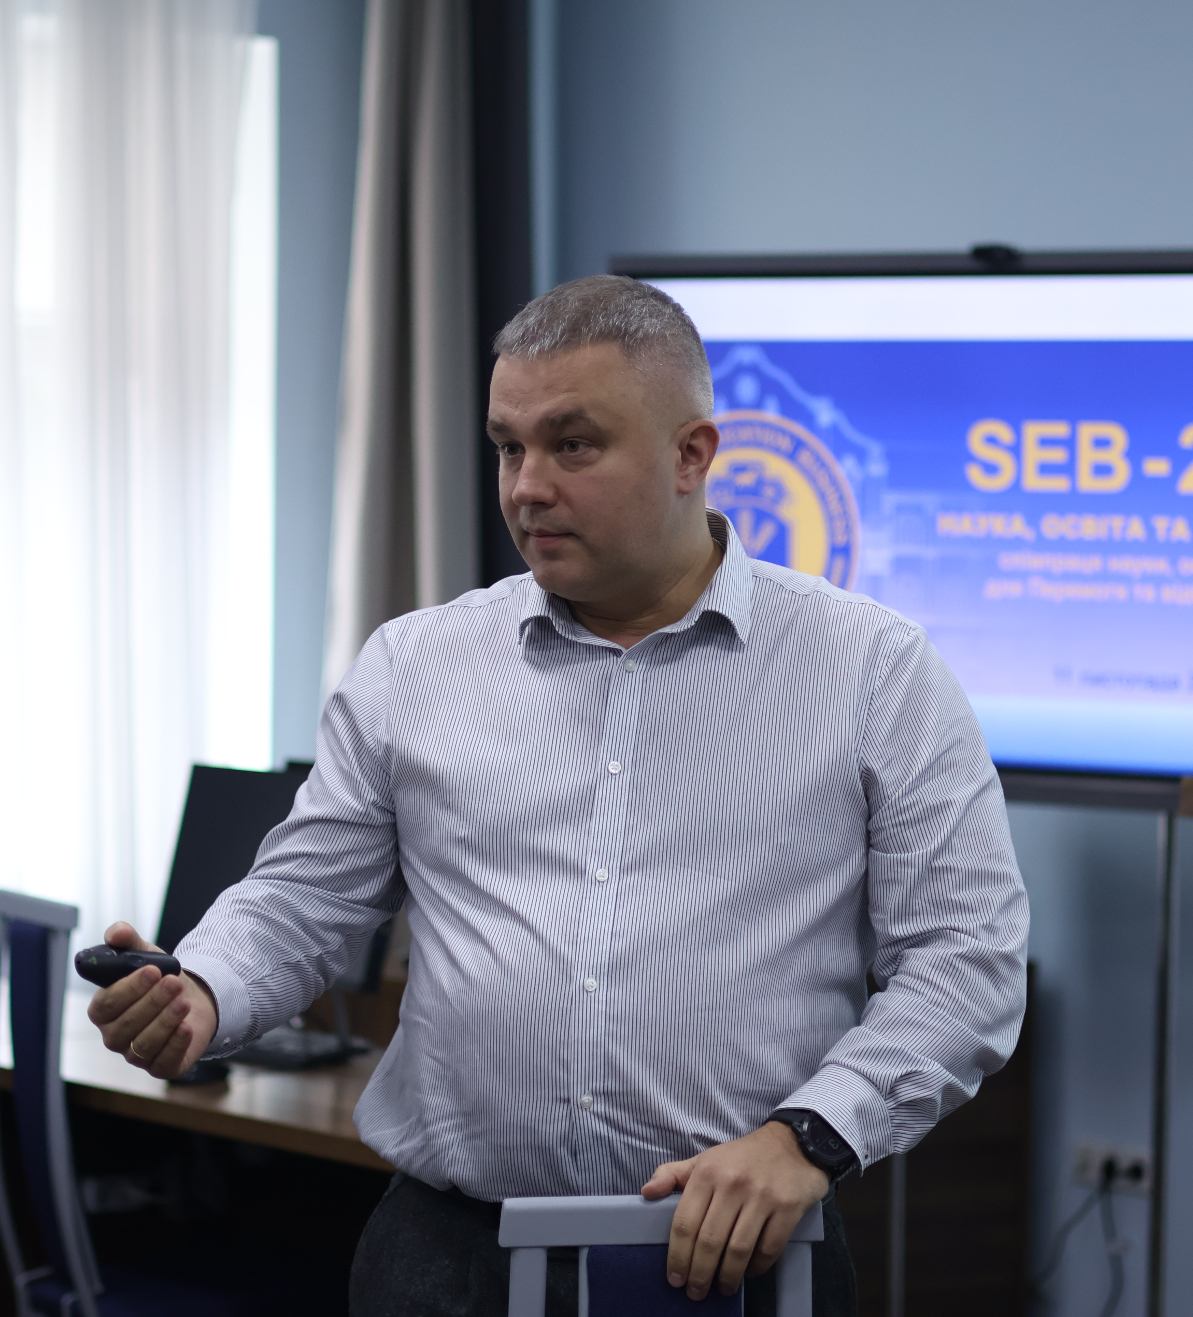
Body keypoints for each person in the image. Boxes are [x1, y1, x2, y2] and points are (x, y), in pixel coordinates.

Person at [88, 275, 1029, 1316]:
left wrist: (810, 1135)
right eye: (508, 447)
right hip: (445, 1260)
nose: (526, 487)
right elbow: (304, 898)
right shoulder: (415, 664)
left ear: (692, 455)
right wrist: (205, 986)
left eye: (573, 445)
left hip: (728, 1259)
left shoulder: (873, 672)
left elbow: (965, 961)